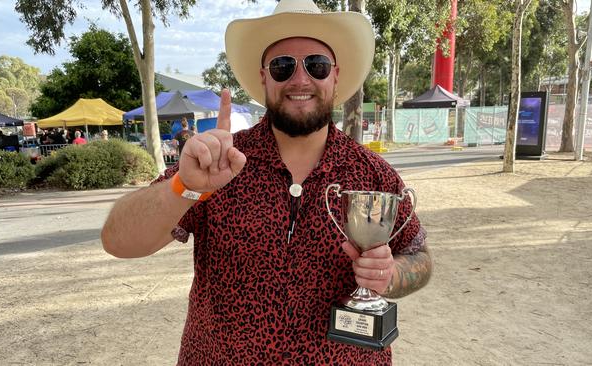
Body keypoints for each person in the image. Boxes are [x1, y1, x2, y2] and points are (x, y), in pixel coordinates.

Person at [101, 0, 431, 364]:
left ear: (335, 75)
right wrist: (184, 185)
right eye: (283, 66)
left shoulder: (372, 174)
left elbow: (419, 257)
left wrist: (392, 274)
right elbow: (118, 241)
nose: (300, 80)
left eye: (316, 66)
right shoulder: (218, 163)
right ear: (264, 77)